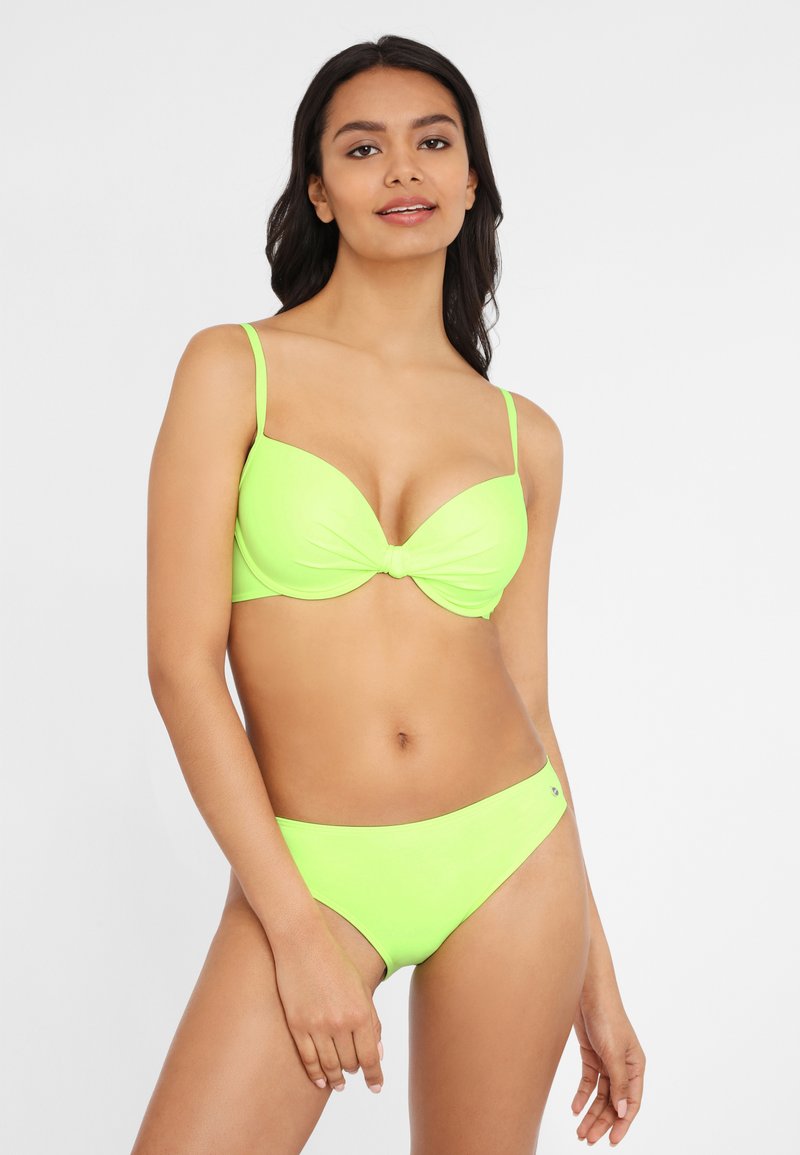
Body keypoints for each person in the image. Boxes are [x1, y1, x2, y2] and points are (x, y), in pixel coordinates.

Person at [134, 33, 646, 1155]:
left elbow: (528, 700)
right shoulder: (232, 369)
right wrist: (292, 925)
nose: (403, 169)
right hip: (313, 868)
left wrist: (595, 976)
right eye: (363, 148)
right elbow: (181, 665)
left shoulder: (524, 437)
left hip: (513, 860)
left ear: (471, 183)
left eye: (433, 143)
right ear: (319, 190)